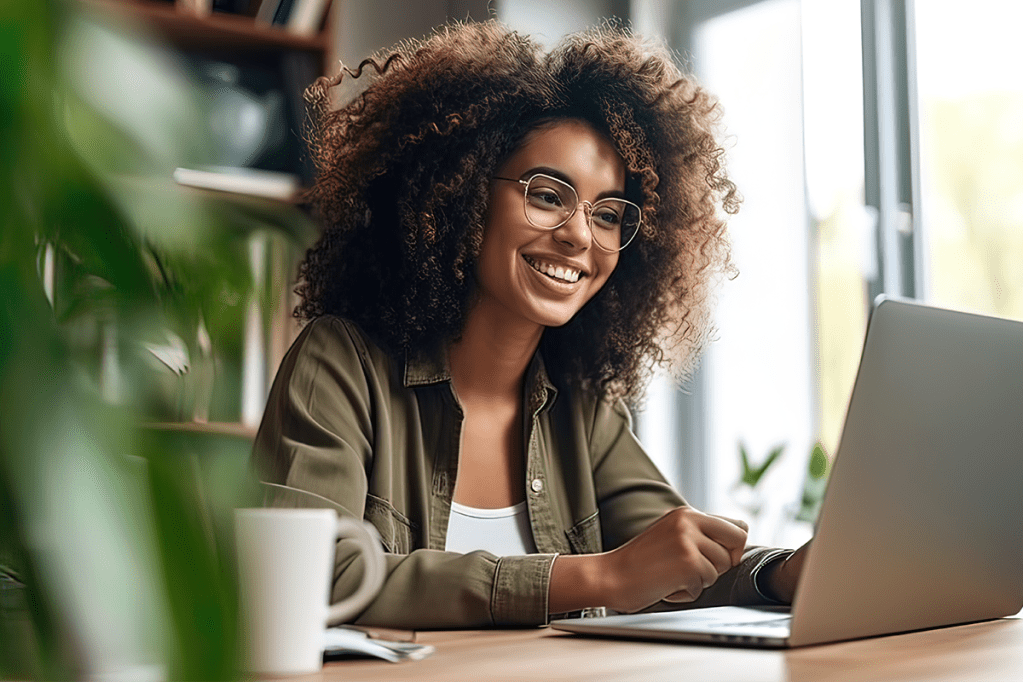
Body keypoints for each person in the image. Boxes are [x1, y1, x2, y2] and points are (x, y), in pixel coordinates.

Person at [252, 20, 806, 630]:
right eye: (547, 195)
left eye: (609, 214)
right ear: (458, 192)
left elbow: (673, 557)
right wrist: (597, 577)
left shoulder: (582, 405)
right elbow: (312, 578)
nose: (578, 235)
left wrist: (784, 572)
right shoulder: (341, 363)